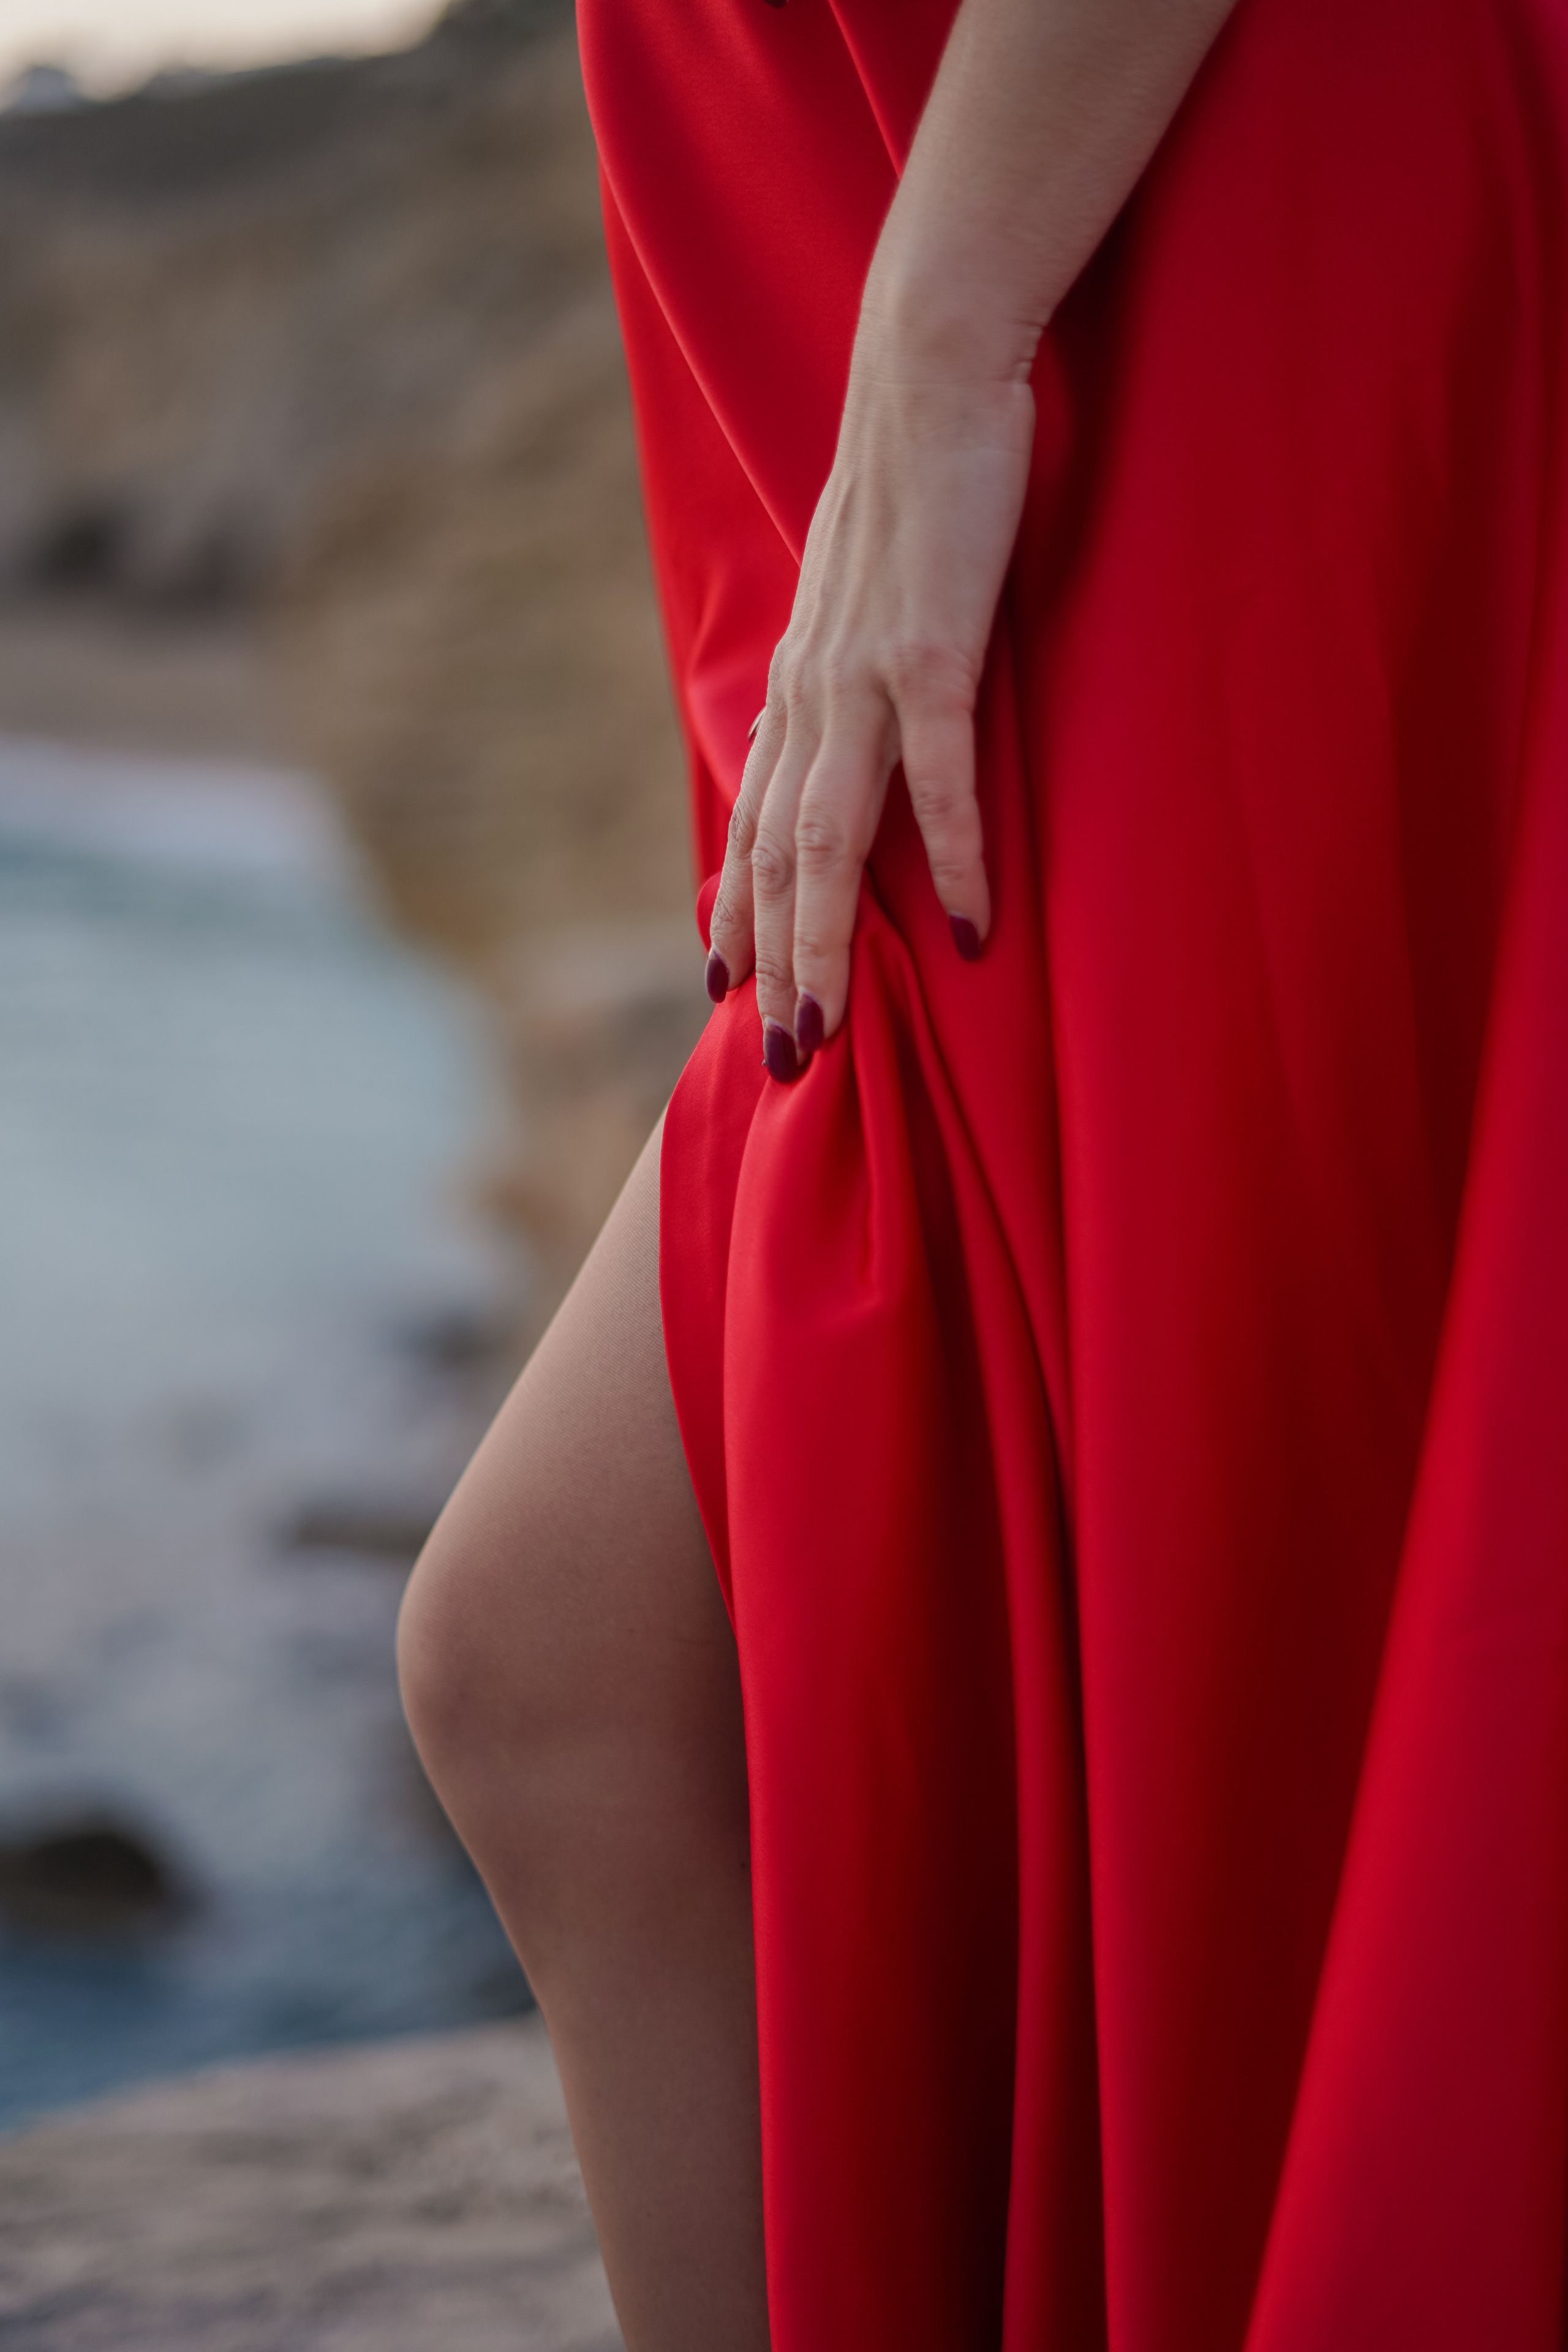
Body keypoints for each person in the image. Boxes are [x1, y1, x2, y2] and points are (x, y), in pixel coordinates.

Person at [398, 0, 1568, 2343]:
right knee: (588, 1673)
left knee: (591, 1652)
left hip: (1152, 254)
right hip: (927, 242)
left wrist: (944, 335)